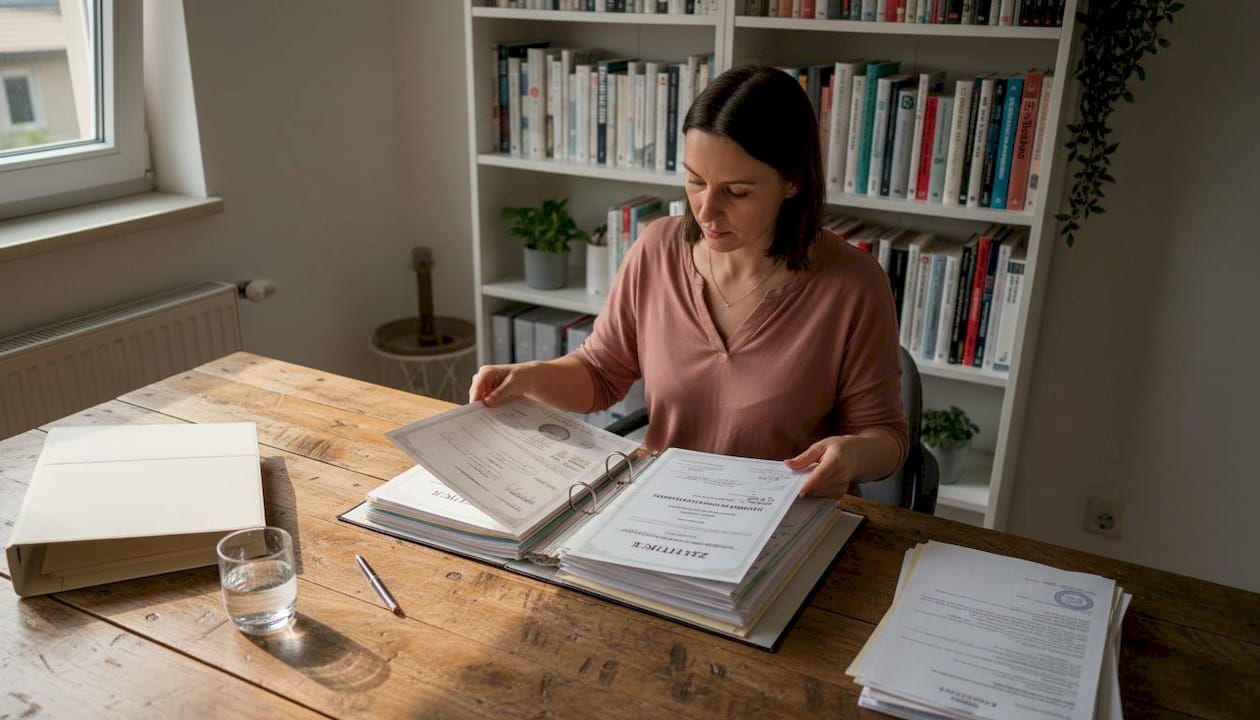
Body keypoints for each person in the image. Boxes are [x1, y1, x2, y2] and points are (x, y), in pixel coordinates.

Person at [470, 65, 907, 499]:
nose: (705, 210)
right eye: (695, 181)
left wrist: (852, 455)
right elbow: (601, 374)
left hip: (786, 522)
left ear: (792, 180)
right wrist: (527, 377)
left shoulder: (853, 285)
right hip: (663, 511)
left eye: (736, 192)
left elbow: (885, 438)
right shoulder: (657, 248)